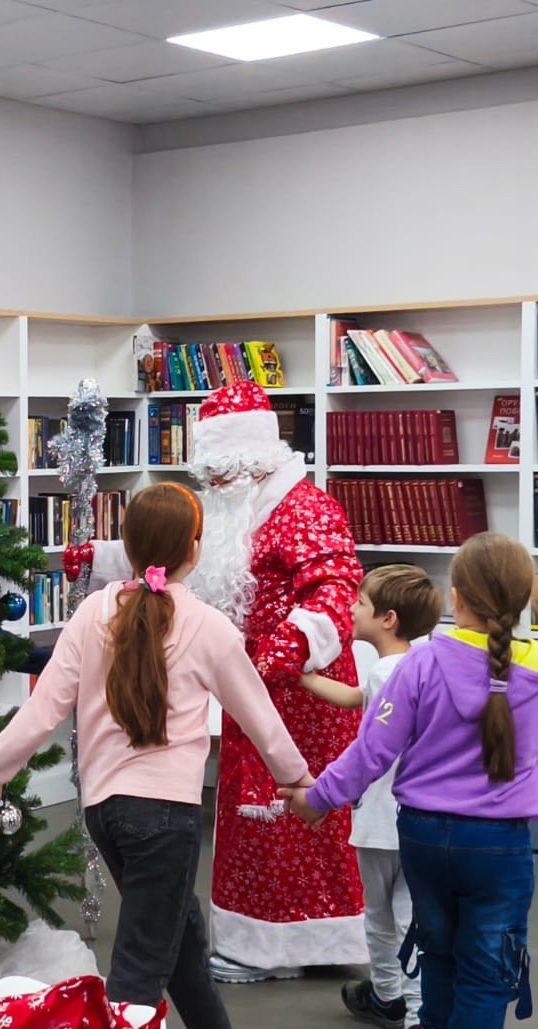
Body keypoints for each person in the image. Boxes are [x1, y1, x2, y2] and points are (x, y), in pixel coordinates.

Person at [0, 484, 310, 1029]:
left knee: (179, 934)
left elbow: (44, 710)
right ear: (193, 551)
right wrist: (299, 782)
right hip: (166, 819)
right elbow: (259, 718)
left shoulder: (91, 615)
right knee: (141, 965)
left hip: (106, 813)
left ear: (126, 547)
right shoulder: (207, 626)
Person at [281, 534, 538, 1029]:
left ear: (456, 597)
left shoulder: (419, 665)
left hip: (421, 835)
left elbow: (372, 752)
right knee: (489, 968)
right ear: (524, 601)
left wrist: (317, 799)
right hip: (500, 845)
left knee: (437, 952)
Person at [86, 381, 365, 982]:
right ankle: (266, 944)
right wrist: (105, 557)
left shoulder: (305, 509)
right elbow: (174, 555)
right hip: (249, 685)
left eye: (220, 474)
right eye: (206, 475)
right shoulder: (232, 507)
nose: (210, 487)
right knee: (252, 819)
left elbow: (335, 586)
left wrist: (286, 651)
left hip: (306, 694)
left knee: (292, 820)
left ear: (249, 463)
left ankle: (283, 948)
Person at [298, 564, 442, 1029]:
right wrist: (306, 678)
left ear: (387, 618)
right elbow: (357, 699)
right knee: (414, 917)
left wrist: (320, 795)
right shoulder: (421, 664)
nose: (351, 609)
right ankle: (420, 1015)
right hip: (422, 817)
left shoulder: (386, 673)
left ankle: (392, 998)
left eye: (359, 602)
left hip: (381, 817)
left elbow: (367, 747)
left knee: (381, 915)